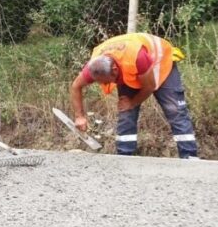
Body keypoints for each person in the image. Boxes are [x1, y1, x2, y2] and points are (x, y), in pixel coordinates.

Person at [69, 32, 198, 159]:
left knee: (175, 109)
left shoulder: (136, 57)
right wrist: (79, 116)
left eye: (107, 81)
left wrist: (132, 102)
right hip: (131, 70)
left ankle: (189, 157)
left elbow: (150, 86)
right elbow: (76, 86)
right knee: (126, 112)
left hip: (161, 63)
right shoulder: (94, 66)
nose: (107, 84)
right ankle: (124, 157)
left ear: (114, 70)